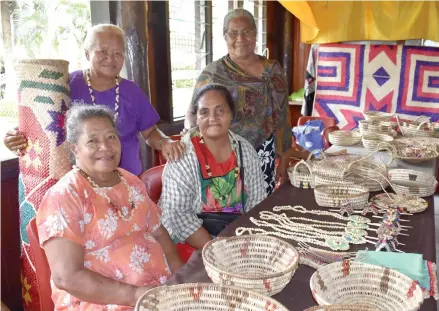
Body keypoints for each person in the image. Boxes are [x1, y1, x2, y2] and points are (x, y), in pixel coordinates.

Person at [37, 105, 184, 310]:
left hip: (156, 292)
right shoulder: (65, 196)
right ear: (74, 148)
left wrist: (181, 280)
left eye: (111, 137)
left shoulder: (130, 181)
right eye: (92, 141)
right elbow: (66, 277)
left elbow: (159, 232)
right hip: (102, 301)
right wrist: (135, 295)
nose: (105, 147)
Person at [3, 23, 184, 176]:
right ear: (87, 54)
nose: (110, 59)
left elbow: (150, 133)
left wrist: (165, 142)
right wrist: (17, 138)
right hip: (79, 184)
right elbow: (43, 123)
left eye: (117, 53)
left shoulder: (132, 92)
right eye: (102, 51)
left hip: (126, 182)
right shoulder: (66, 85)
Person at [183, 9, 300, 194]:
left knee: (259, 208)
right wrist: (194, 141)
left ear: (255, 33)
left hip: (263, 153)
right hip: (224, 155)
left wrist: (284, 159)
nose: (240, 38)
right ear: (225, 36)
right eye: (233, 32)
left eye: (246, 31)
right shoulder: (213, 73)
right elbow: (192, 113)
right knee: (229, 211)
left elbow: (283, 116)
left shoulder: (273, 70)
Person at [160, 84, 268, 250]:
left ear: (231, 114)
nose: (213, 118)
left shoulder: (244, 149)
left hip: (234, 234)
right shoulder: (182, 156)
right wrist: (216, 249)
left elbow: (257, 203)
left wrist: (246, 243)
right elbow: (178, 215)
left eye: (220, 111)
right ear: (196, 118)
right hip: (190, 241)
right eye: (204, 112)